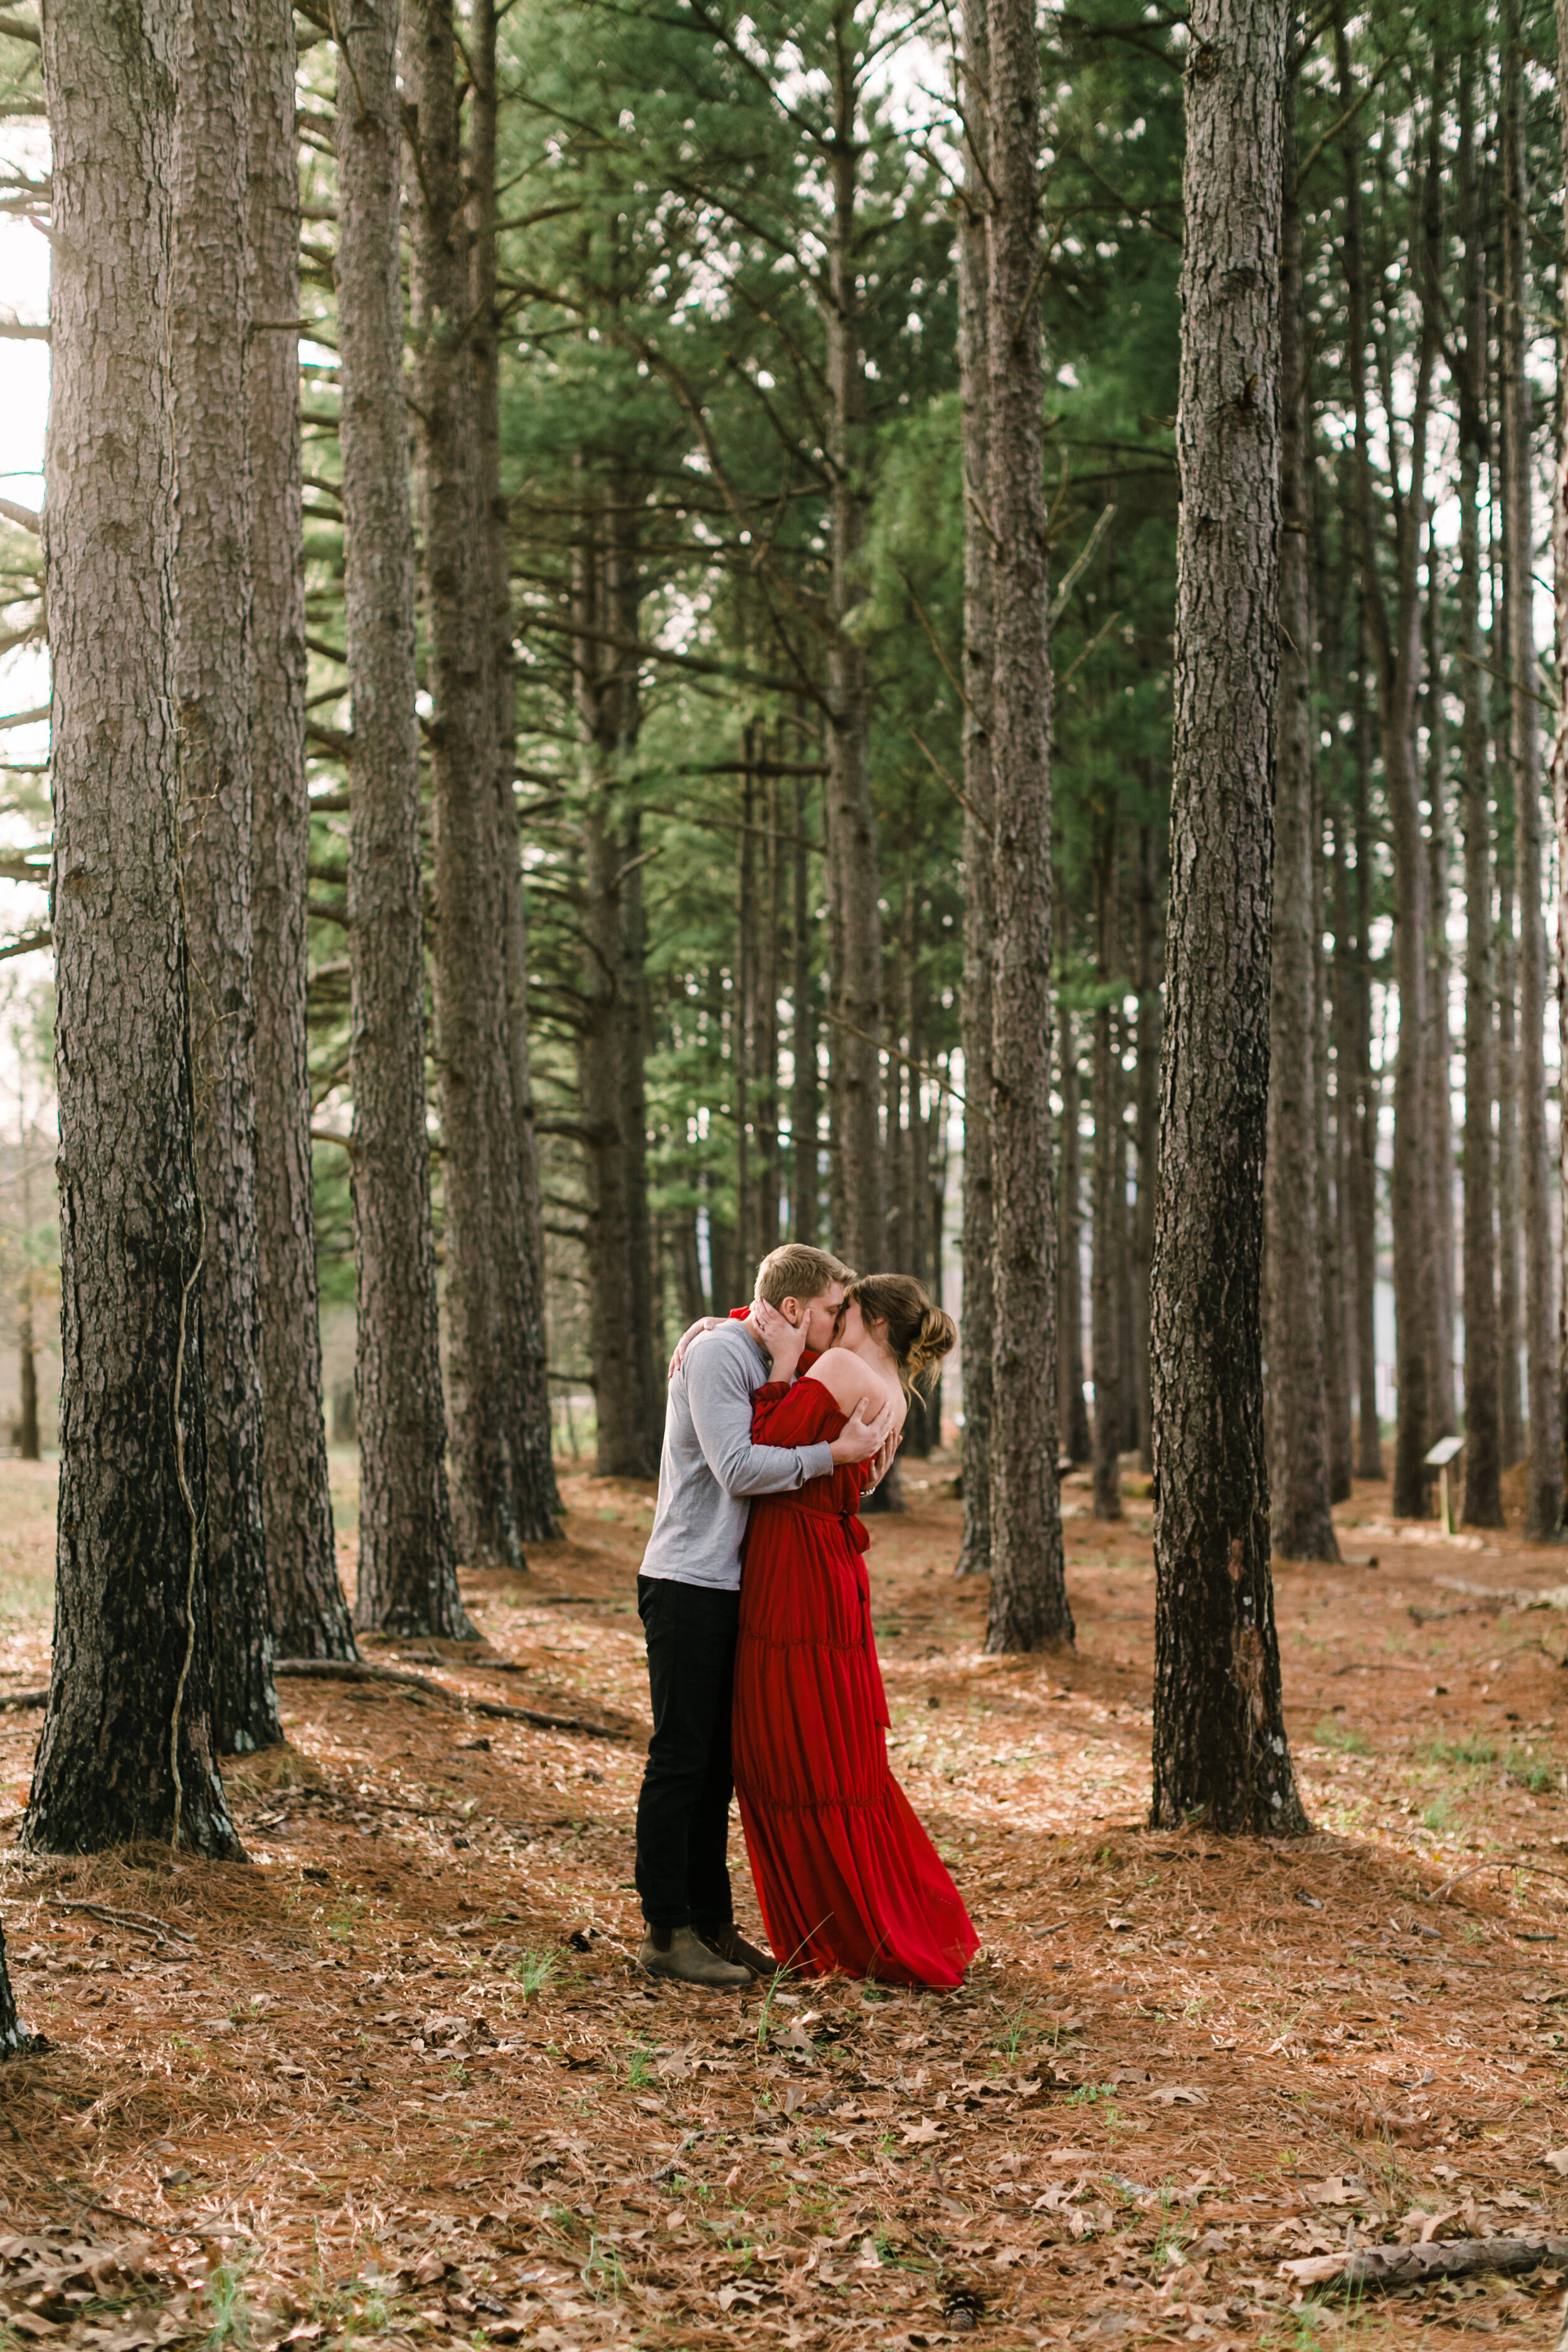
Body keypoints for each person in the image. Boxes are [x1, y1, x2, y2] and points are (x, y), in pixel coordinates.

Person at [633, 1244, 898, 1989]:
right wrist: (831, 1451)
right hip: (687, 1580)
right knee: (682, 1758)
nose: (839, 1324)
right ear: (792, 1310)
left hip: (734, 1589)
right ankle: (665, 1931)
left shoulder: (768, 1360)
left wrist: (858, 1458)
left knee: (720, 1765)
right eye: (830, 1310)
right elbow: (740, 1469)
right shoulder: (720, 1354)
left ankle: (711, 1926)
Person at [732, 1273, 978, 1987]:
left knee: (784, 1746)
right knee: (830, 1754)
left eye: (843, 1311)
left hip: (795, 1563)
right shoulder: (895, 1394)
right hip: (830, 1565)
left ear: (867, 1316)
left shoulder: (841, 1367)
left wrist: (779, 1367)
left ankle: (835, 1930)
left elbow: (762, 1443)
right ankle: (858, 1918)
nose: (832, 1321)